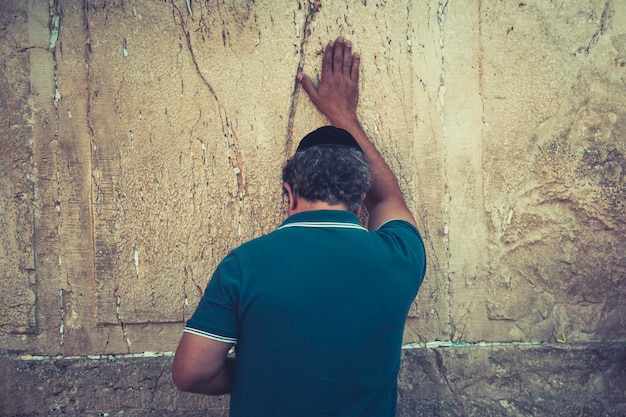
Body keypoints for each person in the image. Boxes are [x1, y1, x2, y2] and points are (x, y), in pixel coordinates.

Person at [172, 36, 426, 417]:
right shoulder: (401, 256)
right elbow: (389, 200)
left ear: (289, 194)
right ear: (359, 200)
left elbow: (191, 373)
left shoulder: (245, 265)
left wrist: (258, 372)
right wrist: (345, 118)